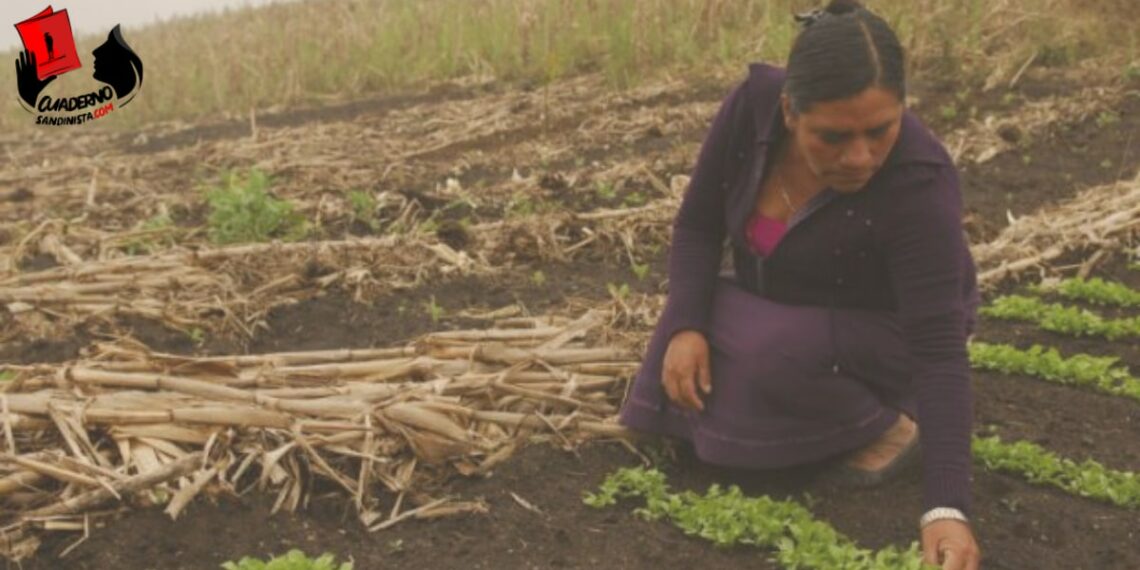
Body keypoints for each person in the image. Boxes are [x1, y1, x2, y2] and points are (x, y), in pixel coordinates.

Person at [618, 1, 982, 568]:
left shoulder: (917, 183)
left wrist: (946, 508)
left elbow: (938, 350)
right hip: (783, 303)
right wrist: (687, 325)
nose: (860, 156)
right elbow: (697, 226)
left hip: (887, 333)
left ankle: (886, 425)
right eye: (833, 136)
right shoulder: (751, 108)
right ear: (790, 111)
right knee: (687, 326)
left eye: (880, 130)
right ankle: (783, 400)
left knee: (766, 355)